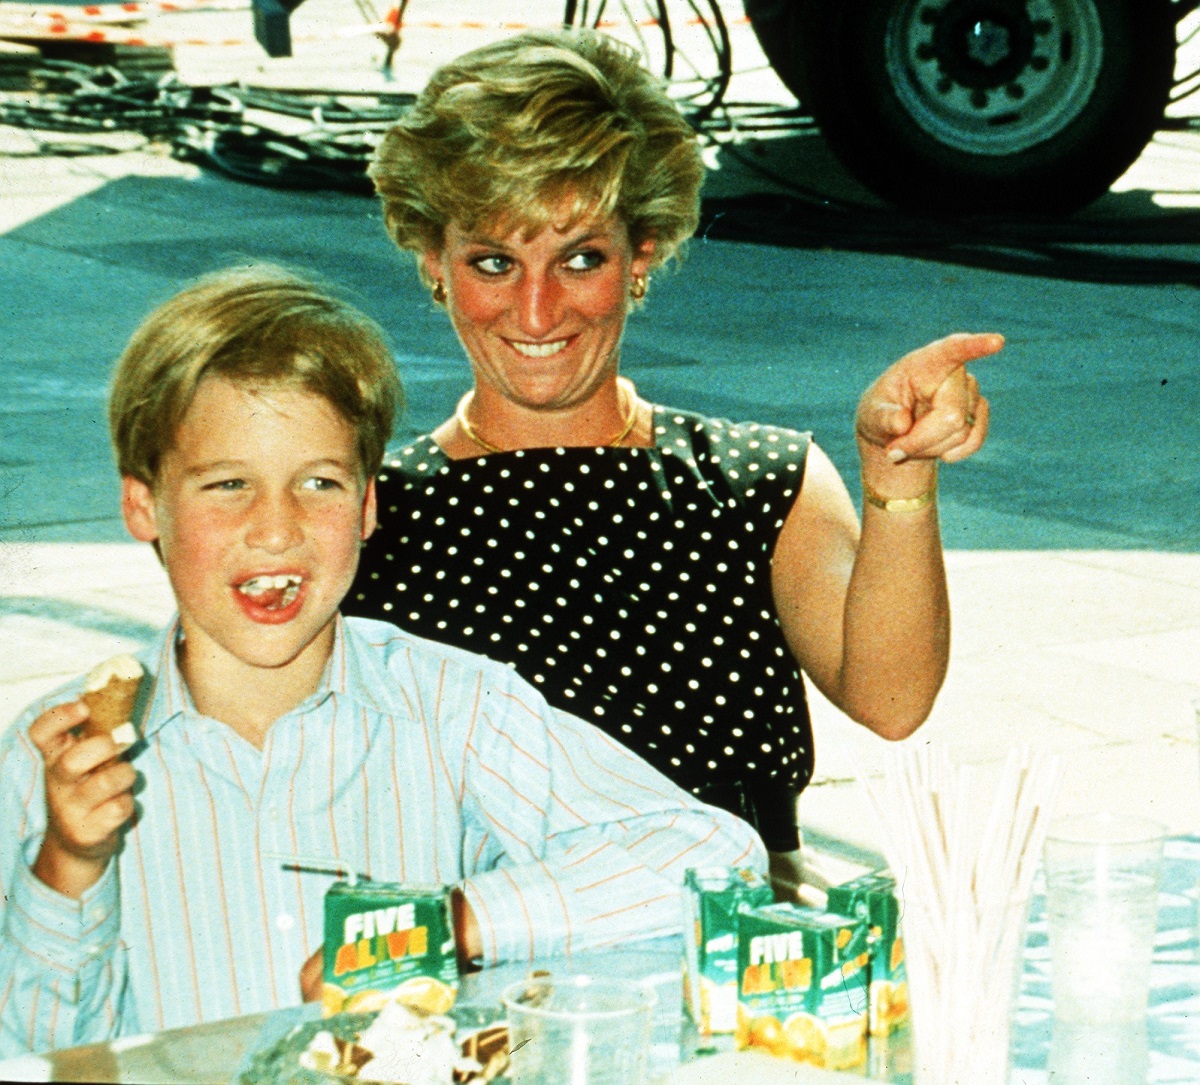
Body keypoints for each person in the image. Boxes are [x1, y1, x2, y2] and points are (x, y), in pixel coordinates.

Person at [0, 265, 763, 1057]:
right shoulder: (56, 758)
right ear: (141, 505)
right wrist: (70, 864)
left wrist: (451, 921)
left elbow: (714, 857)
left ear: (366, 506)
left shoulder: (455, 709)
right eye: (228, 484)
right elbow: (40, 1051)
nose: (276, 527)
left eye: (319, 483)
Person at [346, 28, 1001, 896]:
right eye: (494, 262)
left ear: (641, 255)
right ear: (435, 262)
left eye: (581, 258)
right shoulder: (368, 513)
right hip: (489, 965)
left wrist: (899, 480)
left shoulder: (757, 480)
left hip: (735, 954)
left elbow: (892, 700)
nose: (537, 310)